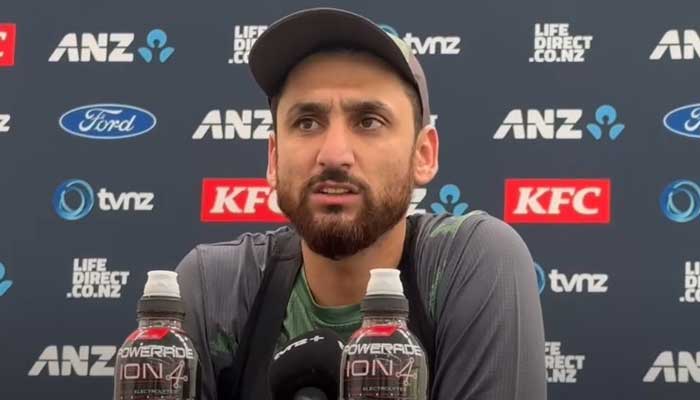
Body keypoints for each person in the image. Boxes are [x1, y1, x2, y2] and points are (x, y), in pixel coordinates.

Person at [175, 7, 546, 400]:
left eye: (369, 121)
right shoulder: (213, 289)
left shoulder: (469, 263)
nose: (334, 155)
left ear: (423, 155)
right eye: (307, 122)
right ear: (274, 157)